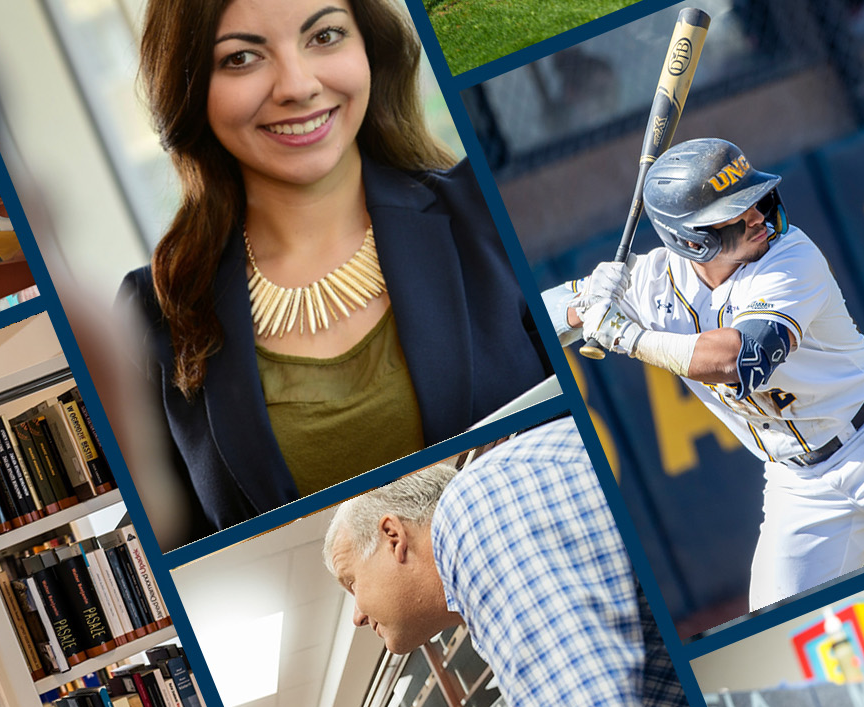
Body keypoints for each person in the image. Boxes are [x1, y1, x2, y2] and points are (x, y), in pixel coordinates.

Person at [123, 0, 550, 546]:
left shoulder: (489, 210)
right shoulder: (150, 314)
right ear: (188, 88)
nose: (297, 85)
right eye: (241, 58)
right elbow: (177, 551)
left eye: (324, 36)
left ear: (369, 46)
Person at [556, 138, 864, 609]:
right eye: (735, 212)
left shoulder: (791, 255)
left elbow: (736, 359)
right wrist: (582, 306)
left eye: (757, 200)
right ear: (690, 239)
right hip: (798, 481)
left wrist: (624, 335)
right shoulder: (647, 280)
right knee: (782, 625)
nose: (758, 217)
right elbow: (531, 318)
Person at [322, 418, 745, 707]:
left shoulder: (471, 516)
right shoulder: (484, 542)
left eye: (352, 585)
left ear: (393, 536)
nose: (356, 616)